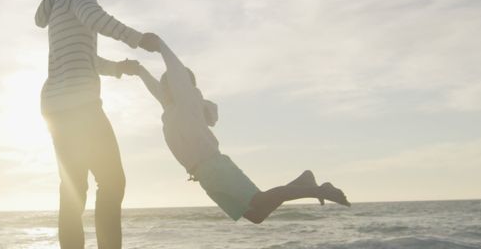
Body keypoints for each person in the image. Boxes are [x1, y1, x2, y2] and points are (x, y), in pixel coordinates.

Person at [35, 0, 161, 249]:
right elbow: (98, 19)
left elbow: (83, 58)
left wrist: (119, 68)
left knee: (74, 185)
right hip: (81, 108)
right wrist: (137, 38)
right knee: (113, 181)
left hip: (55, 107)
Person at [124, 40, 349, 223]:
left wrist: (162, 47)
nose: (163, 87)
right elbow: (156, 89)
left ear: (180, 85)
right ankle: (305, 181)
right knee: (256, 215)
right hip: (204, 176)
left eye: (168, 83)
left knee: (259, 200)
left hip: (215, 167)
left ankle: (320, 190)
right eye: (163, 85)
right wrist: (140, 71)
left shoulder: (188, 102)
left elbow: (176, 72)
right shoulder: (171, 110)